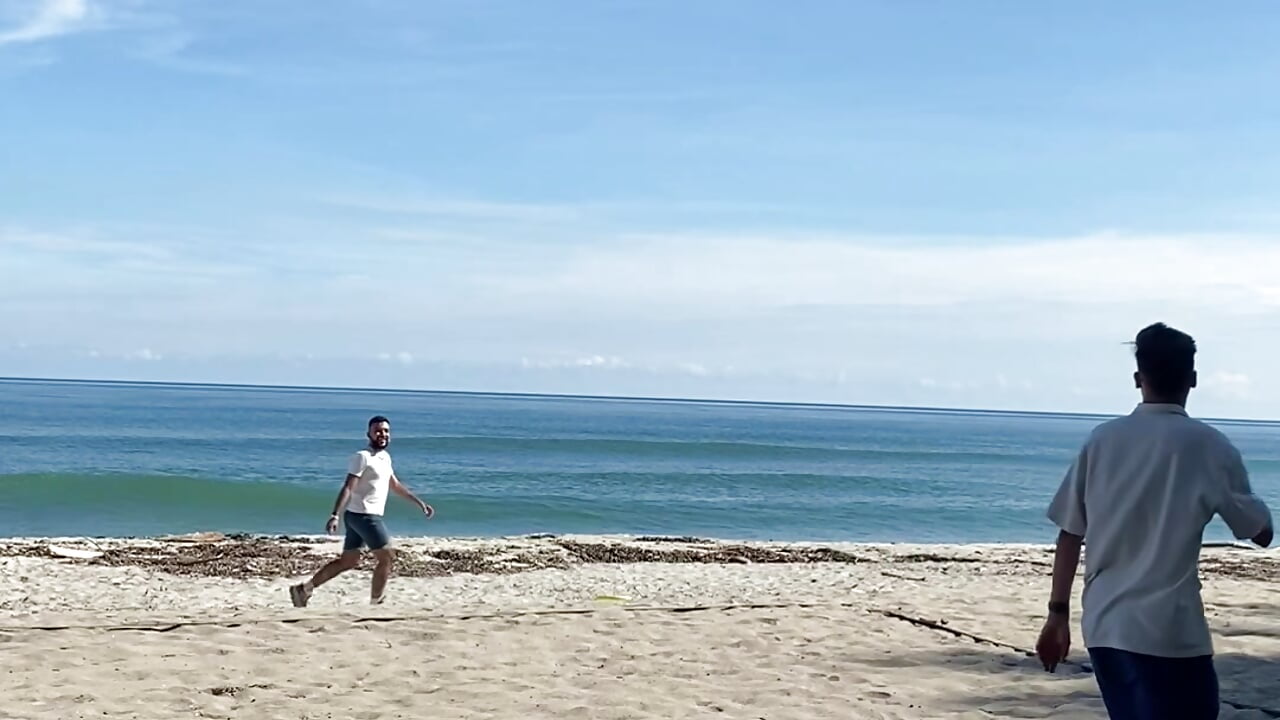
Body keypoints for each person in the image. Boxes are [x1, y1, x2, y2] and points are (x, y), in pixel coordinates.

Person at [1035, 322, 1273, 719]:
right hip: (1173, 631)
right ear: (1193, 379)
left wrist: (1057, 615)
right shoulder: (1210, 446)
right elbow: (1259, 532)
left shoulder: (1103, 440)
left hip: (1107, 625)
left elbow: (1071, 532)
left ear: (1137, 379)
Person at [290, 415, 433, 607]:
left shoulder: (385, 458)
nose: (382, 434)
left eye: (386, 431)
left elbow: (395, 485)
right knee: (387, 557)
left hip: (359, 517)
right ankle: (376, 602)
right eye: (378, 431)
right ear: (369, 433)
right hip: (364, 516)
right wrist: (334, 515)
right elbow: (348, 487)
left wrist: (419, 502)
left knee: (348, 561)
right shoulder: (362, 457)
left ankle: (304, 589)